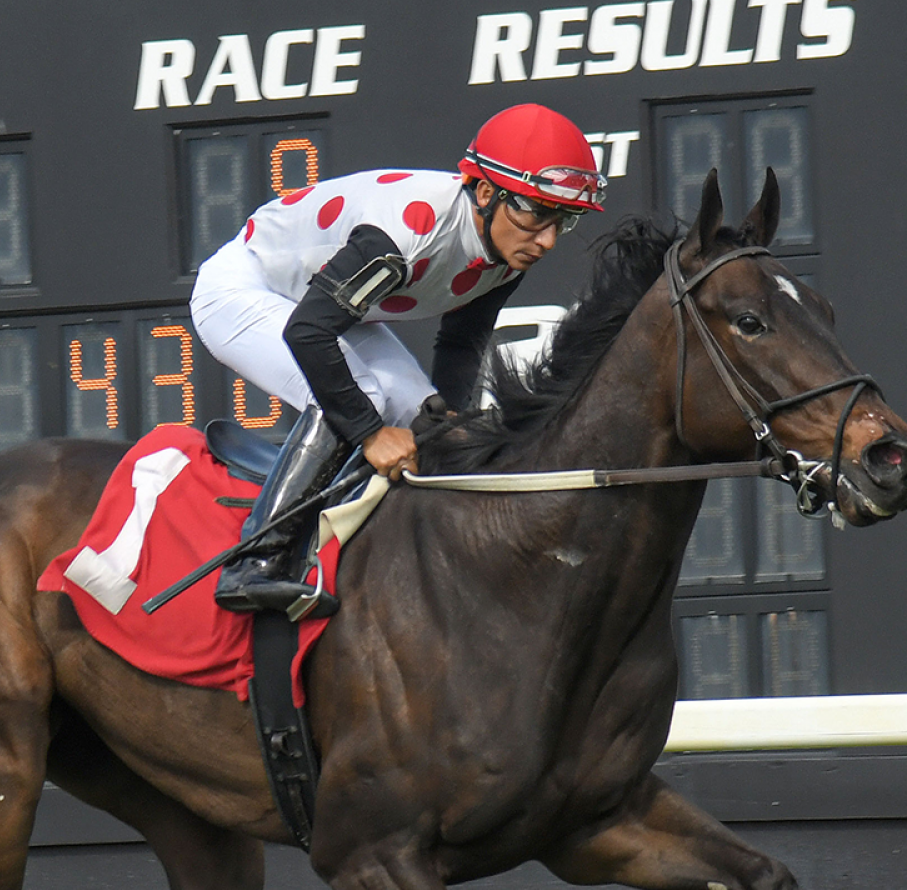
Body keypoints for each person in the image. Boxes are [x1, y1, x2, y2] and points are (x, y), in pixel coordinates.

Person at [192, 103, 605, 618]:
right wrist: (369, 433)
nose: (545, 239)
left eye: (561, 220)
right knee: (360, 400)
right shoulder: (409, 232)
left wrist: (449, 428)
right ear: (485, 192)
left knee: (432, 423)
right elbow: (309, 332)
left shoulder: (505, 254)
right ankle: (254, 563)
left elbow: (460, 345)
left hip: (324, 309)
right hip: (242, 289)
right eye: (535, 213)